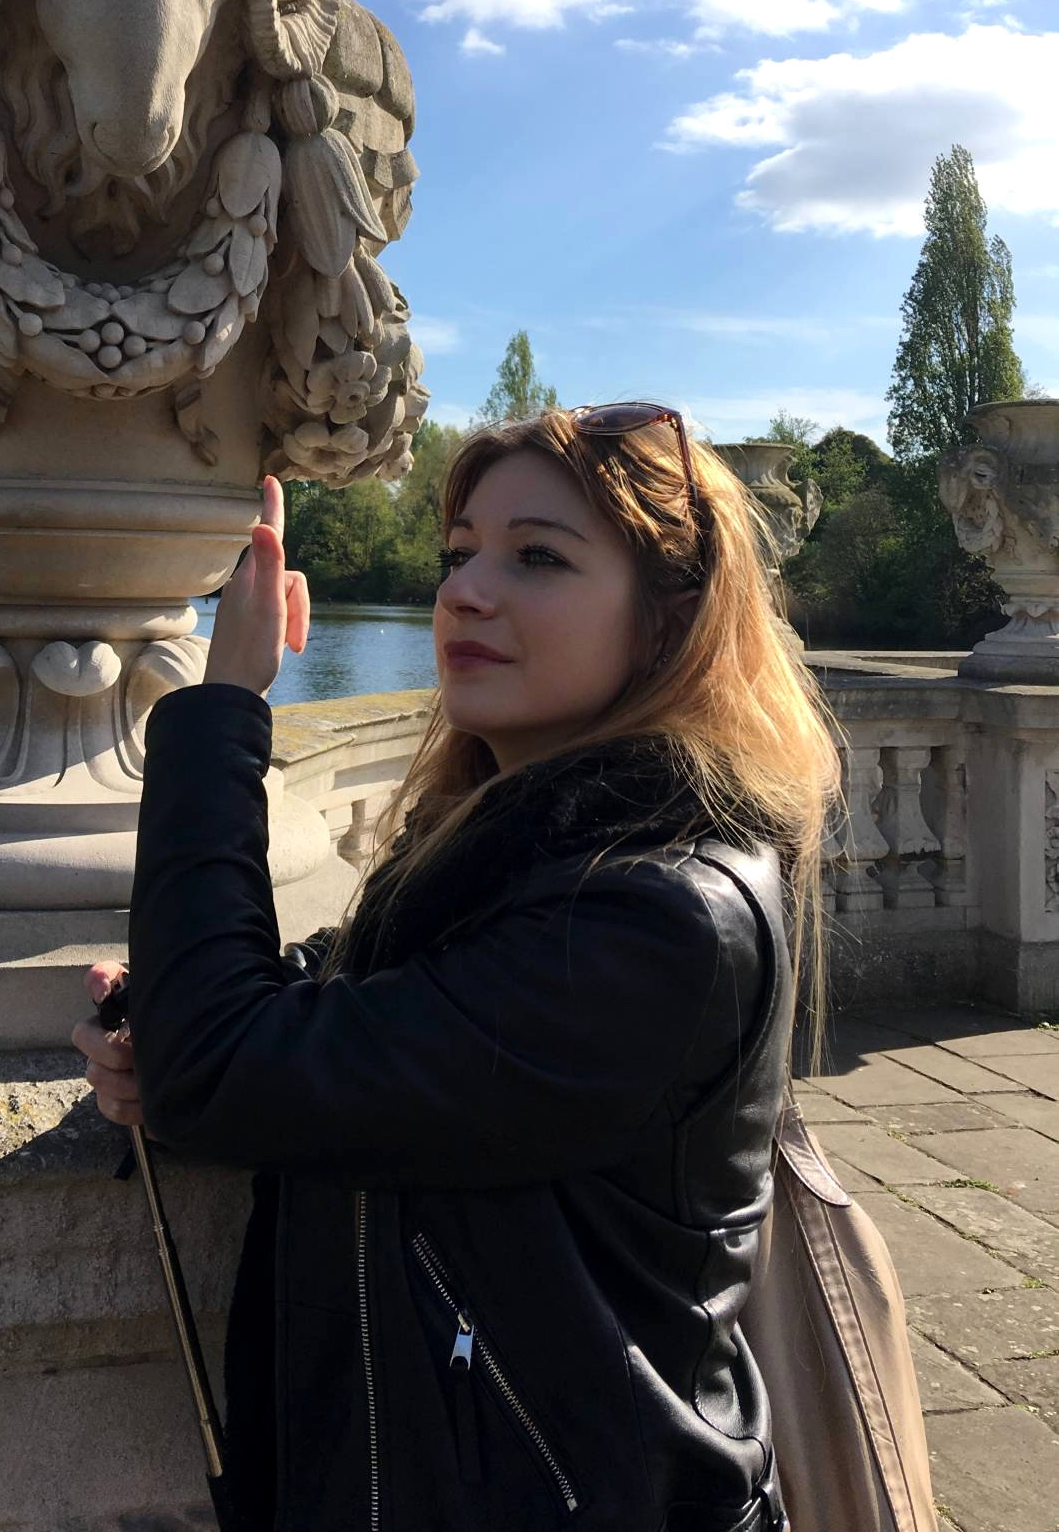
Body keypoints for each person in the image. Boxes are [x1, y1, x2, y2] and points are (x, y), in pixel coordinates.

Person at [73, 403, 841, 1532]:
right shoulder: (513, 852)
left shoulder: (661, 920)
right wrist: (172, 1007)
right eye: (460, 552)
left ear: (672, 620)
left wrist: (222, 709)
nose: (465, 592)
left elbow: (227, 1069)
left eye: (538, 557)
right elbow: (361, 1004)